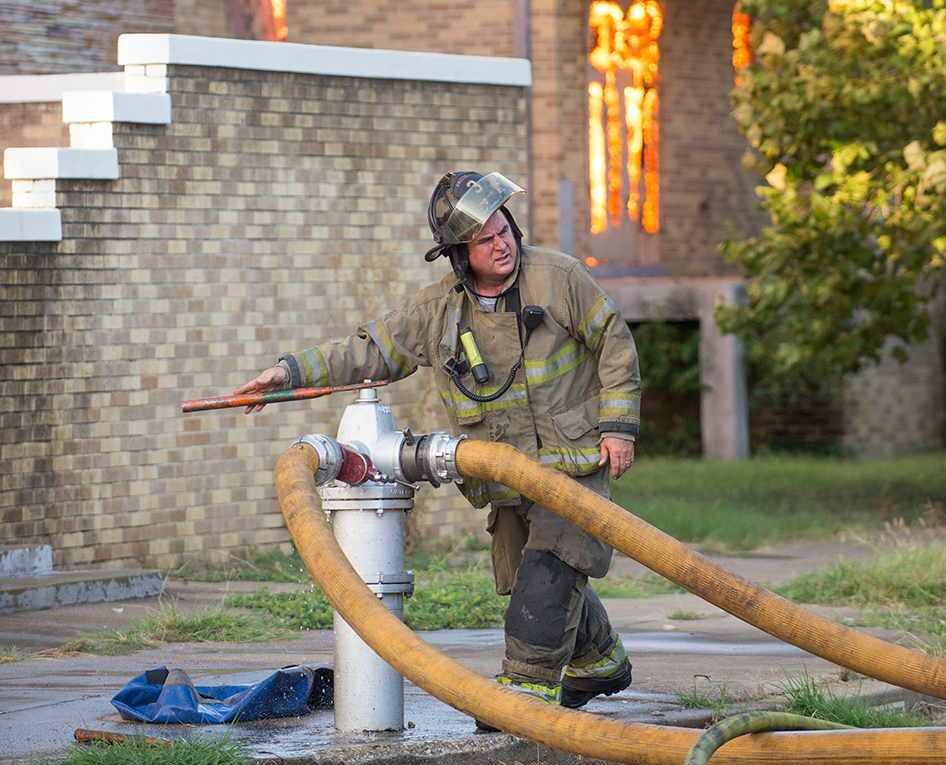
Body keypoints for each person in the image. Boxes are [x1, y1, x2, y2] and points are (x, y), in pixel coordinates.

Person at [235, 171, 642, 722]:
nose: (502, 245)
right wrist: (287, 372)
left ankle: (525, 694)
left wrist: (619, 426)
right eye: (484, 239)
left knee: (551, 570)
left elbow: (614, 342)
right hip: (506, 475)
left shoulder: (560, 278)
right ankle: (600, 661)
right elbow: (368, 351)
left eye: (505, 230)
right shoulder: (439, 311)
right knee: (530, 571)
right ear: (458, 253)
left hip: (574, 463)